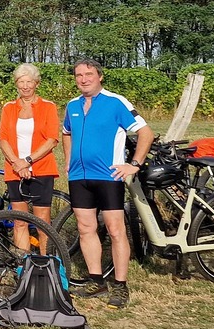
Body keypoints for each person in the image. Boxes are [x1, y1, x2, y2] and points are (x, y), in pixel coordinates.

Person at [62, 58, 154, 309]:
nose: (83, 79)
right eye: (79, 75)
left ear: (100, 76)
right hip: (79, 177)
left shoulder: (116, 102)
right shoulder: (72, 105)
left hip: (108, 176)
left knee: (115, 230)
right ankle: (96, 281)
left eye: (89, 74)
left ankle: (120, 286)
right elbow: (66, 132)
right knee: (85, 228)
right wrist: (68, 159)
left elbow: (146, 133)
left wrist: (134, 164)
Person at [0, 63, 62, 255]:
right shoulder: (9, 108)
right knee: (20, 221)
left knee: (43, 222)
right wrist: (17, 163)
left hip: (41, 169)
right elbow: (3, 139)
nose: (25, 86)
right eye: (21, 82)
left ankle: (46, 261)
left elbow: (52, 140)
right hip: (15, 170)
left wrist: (27, 160)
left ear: (36, 83)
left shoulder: (48, 107)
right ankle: (22, 263)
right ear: (16, 84)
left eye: (29, 82)